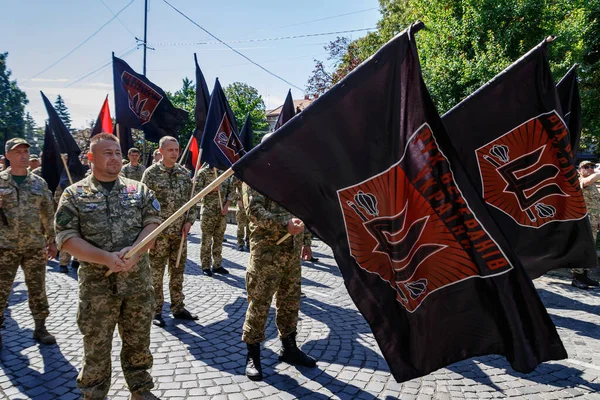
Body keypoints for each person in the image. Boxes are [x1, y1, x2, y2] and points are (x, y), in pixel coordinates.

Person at [54, 133, 161, 400]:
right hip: (96, 288)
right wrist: (105, 257)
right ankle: (94, 394)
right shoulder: (74, 194)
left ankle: (140, 390)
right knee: (96, 347)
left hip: (137, 285)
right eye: (107, 153)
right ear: (90, 158)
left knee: (138, 343)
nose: (115, 157)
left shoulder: (139, 190)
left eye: (117, 152)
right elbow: (66, 239)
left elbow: (153, 223)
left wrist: (136, 251)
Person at [241, 133, 316, 381]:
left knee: (290, 302)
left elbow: (302, 210)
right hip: (266, 255)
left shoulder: (290, 176)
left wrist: (305, 241)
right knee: (259, 303)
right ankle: (253, 354)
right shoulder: (254, 175)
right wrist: (285, 224)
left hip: (291, 254)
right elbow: (254, 211)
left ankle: (289, 347)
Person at [0, 138, 57, 348]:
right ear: (8, 156)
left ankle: (40, 327)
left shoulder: (38, 183)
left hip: (34, 245)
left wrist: (52, 240)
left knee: (37, 288)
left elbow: (47, 213)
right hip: (5, 247)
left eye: (25, 151)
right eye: (18, 152)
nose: (23, 155)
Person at [142, 136, 197, 327]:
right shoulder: (150, 174)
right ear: (161, 151)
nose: (174, 153)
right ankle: (156, 310)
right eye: (170, 150)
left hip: (179, 234)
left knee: (177, 272)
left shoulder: (184, 174)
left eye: (177, 150)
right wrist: (149, 231)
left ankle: (178, 307)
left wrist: (189, 222)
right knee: (156, 273)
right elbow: (143, 203)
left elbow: (193, 202)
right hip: (159, 234)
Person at [196, 165, 232, 276]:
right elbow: (196, 191)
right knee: (206, 240)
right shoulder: (203, 173)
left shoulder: (224, 172)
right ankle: (205, 266)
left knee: (219, 240)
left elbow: (231, 192)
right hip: (208, 212)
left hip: (221, 213)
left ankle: (217, 265)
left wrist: (226, 206)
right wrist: (211, 189)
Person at [574, 160, 600, 289]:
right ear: (579, 170)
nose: (590, 169)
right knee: (581, 248)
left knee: (590, 249)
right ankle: (576, 277)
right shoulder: (579, 181)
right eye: (586, 167)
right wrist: (598, 172)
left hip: (593, 222)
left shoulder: (593, 184)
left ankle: (584, 274)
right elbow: (587, 181)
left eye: (592, 166)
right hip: (583, 222)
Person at [232, 177, 249, 252]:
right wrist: (238, 199)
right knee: (240, 225)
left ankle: (249, 243)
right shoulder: (238, 174)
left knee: (250, 225)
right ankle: (240, 243)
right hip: (241, 204)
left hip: (250, 204)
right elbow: (232, 188)